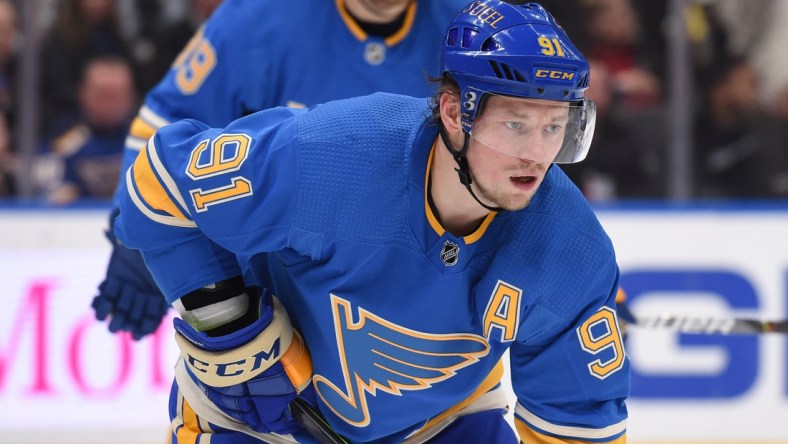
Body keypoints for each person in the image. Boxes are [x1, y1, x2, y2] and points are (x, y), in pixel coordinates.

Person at [114, 1, 630, 442]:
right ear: (455, 114)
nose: (537, 155)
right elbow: (162, 177)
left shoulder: (572, 251)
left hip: (441, 423)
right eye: (515, 124)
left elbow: (576, 424)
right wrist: (225, 320)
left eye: (556, 128)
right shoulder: (331, 154)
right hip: (256, 423)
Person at [91, 0, 471, 340]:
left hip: (408, 285)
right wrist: (136, 228)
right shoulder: (257, 18)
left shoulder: (467, 29)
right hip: (271, 288)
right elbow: (163, 122)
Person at [44, 56, 138, 204]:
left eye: (117, 95)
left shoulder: (147, 140)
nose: (110, 103)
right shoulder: (67, 141)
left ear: (131, 97)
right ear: (84, 94)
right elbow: (45, 182)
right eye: (103, 94)